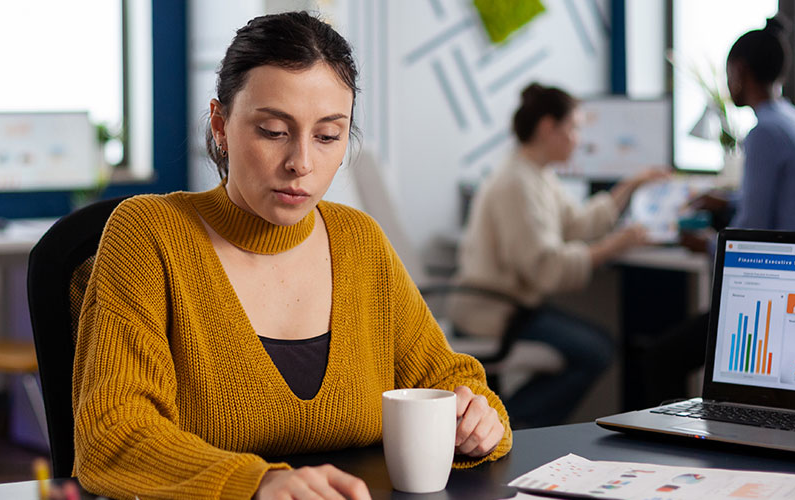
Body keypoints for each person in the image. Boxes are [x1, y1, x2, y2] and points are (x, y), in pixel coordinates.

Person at [71, 12, 510, 500]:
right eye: (275, 130)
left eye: (327, 136)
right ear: (221, 125)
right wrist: (259, 484)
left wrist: (478, 418)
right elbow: (113, 436)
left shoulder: (358, 240)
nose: (301, 162)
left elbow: (447, 380)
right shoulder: (149, 234)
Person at [628, 17, 795, 409]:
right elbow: (783, 206)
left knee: (660, 358)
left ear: (739, 72)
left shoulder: (763, 134)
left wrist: (699, 242)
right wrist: (728, 202)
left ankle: (673, 448)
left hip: (778, 293)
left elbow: (748, 241)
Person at [449, 84, 669, 428]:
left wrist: (631, 185)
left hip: (514, 304)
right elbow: (547, 269)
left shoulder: (537, 175)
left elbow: (577, 223)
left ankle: (502, 422)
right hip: (497, 310)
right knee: (596, 351)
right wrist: (614, 246)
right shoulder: (516, 183)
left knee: (595, 346)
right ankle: (505, 425)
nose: (579, 139)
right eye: (574, 128)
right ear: (548, 127)